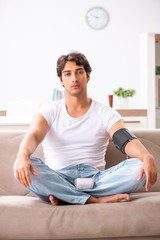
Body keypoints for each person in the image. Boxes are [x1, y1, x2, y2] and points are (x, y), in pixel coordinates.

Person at [14, 51, 157, 206]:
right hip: (58, 178)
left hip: (96, 180)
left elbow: (124, 140)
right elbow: (34, 135)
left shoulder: (105, 112)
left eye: (79, 72)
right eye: (67, 74)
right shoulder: (48, 111)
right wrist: (23, 155)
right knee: (20, 165)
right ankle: (93, 199)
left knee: (138, 167)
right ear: (61, 80)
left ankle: (67, 196)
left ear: (88, 76)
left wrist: (146, 156)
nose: (74, 79)